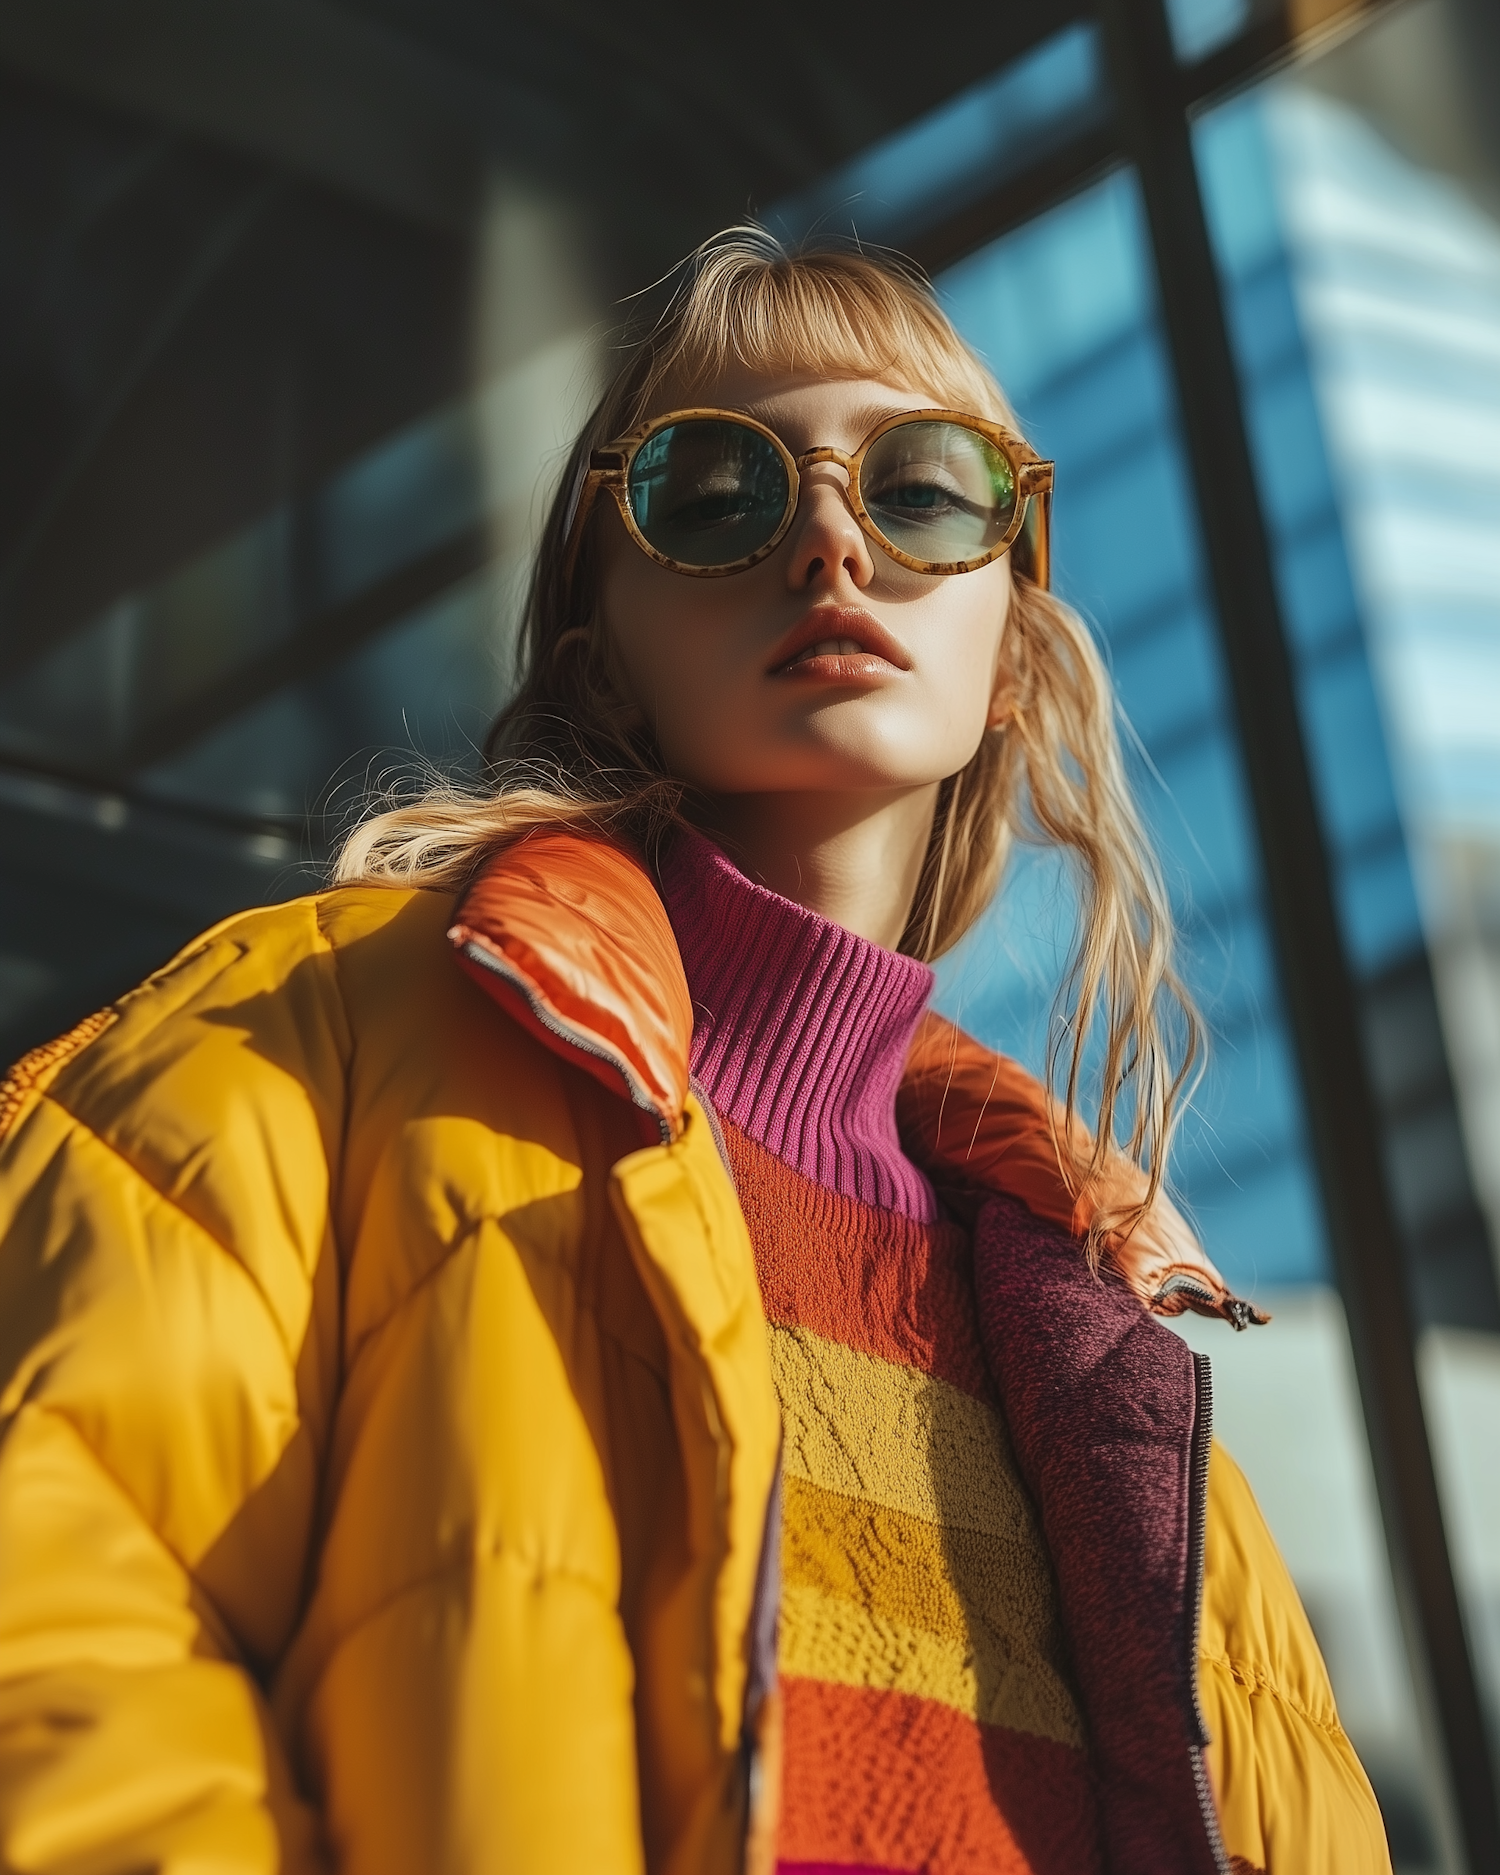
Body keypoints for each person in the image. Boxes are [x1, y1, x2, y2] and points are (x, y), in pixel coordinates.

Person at [0, 230, 1390, 1875]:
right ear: (606, 653)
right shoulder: (300, 1042)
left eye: (926, 488)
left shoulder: (1109, 1333)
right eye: (716, 493)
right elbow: (58, 1615)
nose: (824, 539)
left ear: (1012, 656)